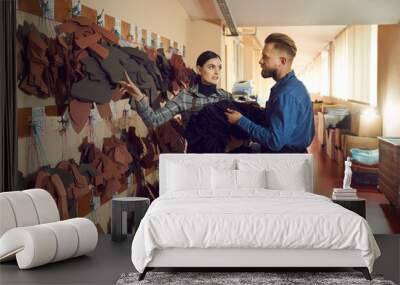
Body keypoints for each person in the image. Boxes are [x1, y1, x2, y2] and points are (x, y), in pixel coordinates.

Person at [225, 33, 315, 153]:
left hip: (284, 159)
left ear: (282, 61)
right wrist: (262, 111)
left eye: (265, 57)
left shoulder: (286, 94)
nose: (260, 61)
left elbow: (274, 141)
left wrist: (240, 120)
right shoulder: (288, 86)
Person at [118, 50, 232, 130]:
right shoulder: (185, 97)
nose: (217, 72)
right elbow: (153, 121)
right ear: (199, 70)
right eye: (211, 67)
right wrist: (138, 96)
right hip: (195, 160)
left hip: (223, 159)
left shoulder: (226, 97)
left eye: (219, 67)